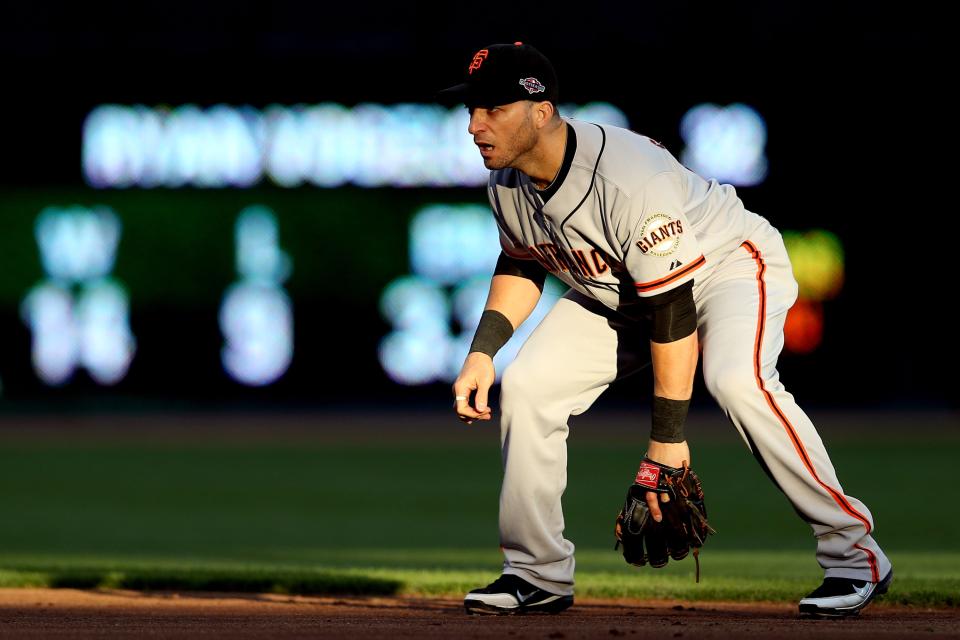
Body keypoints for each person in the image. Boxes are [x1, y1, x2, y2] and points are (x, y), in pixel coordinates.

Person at [439, 42, 892, 617]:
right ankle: (535, 573)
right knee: (528, 385)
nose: (475, 125)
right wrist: (484, 351)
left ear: (541, 110)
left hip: (726, 267)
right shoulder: (505, 179)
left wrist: (666, 443)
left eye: (492, 109)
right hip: (627, 294)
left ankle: (855, 556)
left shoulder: (626, 177)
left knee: (736, 380)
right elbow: (525, 259)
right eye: (469, 110)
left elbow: (674, 314)